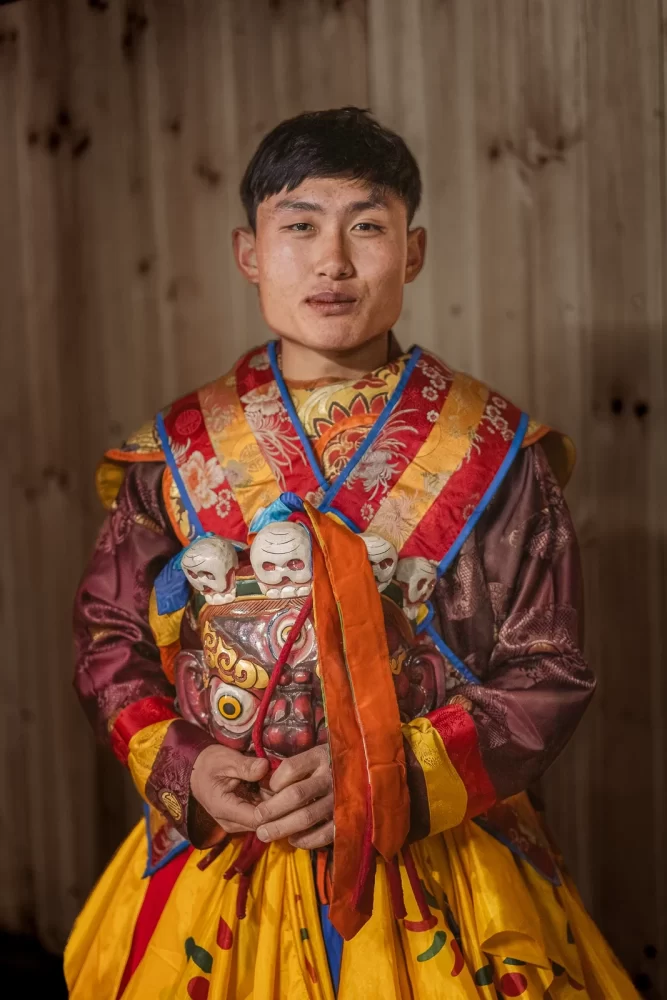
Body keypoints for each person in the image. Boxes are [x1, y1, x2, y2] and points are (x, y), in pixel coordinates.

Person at [65, 107, 638, 999]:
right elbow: (109, 638)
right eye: (298, 226)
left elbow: (547, 669)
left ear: (410, 252)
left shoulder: (497, 452)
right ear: (248, 252)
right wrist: (186, 766)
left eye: (365, 226)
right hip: (229, 838)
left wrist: (386, 775)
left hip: (437, 848)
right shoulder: (175, 451)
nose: (331, 260)